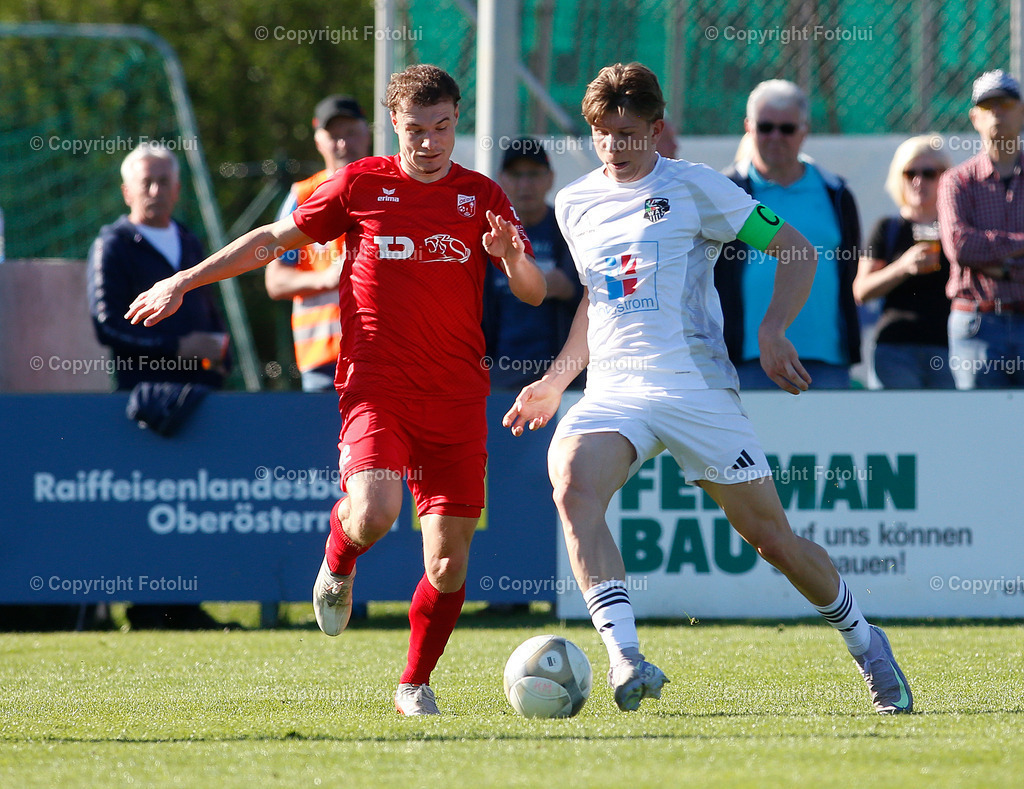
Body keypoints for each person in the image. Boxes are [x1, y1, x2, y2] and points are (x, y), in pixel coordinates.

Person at [126, 65, 546, 714]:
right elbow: (273, 241)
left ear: (456, 121)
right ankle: (339, 557)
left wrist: (512, 256)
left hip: (458, 397)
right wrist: (184, 280)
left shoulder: (481, 195)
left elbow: (533, 291)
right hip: (377, 386)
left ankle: (414, 683)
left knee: (447, 565)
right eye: (416, 129)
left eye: (442, 128)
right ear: (393, 125)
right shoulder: (360, 184)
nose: (430, 142)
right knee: (373, 511)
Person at [502, 62, 912, 715]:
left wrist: (774, 329)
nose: (614, 146)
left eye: (628, 133)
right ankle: (625, 656)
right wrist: (555, 381)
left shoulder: (696, 186)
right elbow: (596, 302)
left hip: (696, 389)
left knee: (773, 540)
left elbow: (797, 250)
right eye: (603, 133)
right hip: (615, 389)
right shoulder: (577, 203)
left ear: (656, 128)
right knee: (573, 483)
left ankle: (866, 641)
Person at [88, 142, 231, 630]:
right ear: (126, 190)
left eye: (164, 181)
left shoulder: (189, 242)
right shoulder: (113, 244)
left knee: (194, 508)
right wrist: (176, 347)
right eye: (145, 181)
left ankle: (186, 605)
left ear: (177, 188)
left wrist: (219, 353)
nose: (155, 190)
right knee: (146, 508)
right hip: (143, 403)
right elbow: (107, 326)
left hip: (199, 401)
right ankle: (147, 608)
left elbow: (208, 309)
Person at [715, 79, 861, 390]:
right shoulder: (724, 191)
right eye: (766, 127)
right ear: (748, 127)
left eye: (787, 128)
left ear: (805, 130)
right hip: (743, 359)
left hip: (826, 358)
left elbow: (850, 267)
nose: (775, 137)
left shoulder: (836, 192)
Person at [265, 95, 371, 392]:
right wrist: (326, 279)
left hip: (382, 353)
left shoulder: (392, 190)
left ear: (368, 132)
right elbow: (275, 281)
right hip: (324, 362)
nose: (343, 143)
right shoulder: (303, 197)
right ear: (318, 141)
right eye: (334, 136)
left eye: (351, 132)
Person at [938, 69, 1024, 389]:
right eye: (988, 106)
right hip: (976, 323)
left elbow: (972, 247)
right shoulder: (957, 180)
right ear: (975, 118)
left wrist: (999, 264)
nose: (997, 112)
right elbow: (960, 246)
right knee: (979, 419)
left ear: (1022, 112)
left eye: (1006, 104)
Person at [853, 136, 954, 388]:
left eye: (929, 173)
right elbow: (861, 290)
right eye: (910, 173)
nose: (919, 181)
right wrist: (902, 267)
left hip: (951, 349)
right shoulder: (888, 228)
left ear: (945, 177)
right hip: (895, 350)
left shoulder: (958, 229)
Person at [484, 137, 583, 390]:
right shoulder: (489, 235)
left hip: (560, 374)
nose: (525, 184)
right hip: (499, 371)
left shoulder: (568, 229)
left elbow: (576, 290)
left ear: (550, 178)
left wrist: (526, 277)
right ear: (501, 179)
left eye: (534, 174)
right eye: (516, 175)